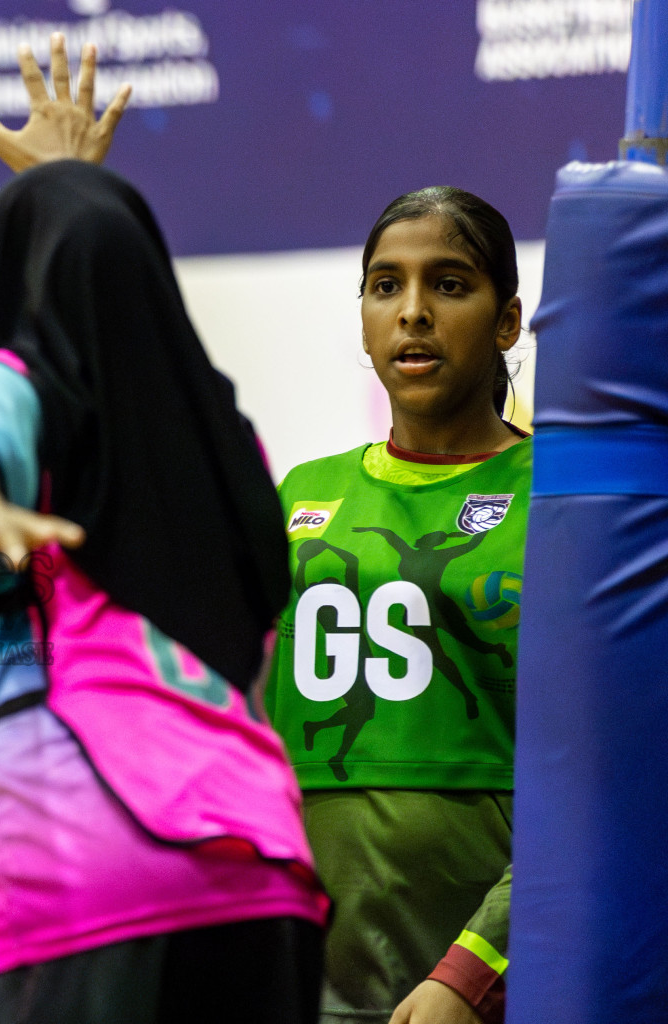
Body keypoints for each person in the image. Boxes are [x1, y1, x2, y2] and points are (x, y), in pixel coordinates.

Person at [0, 34, 330, 1024]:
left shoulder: (12, 386)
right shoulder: (230, 449)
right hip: (259, 872)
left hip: (67, 874)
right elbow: (111, 305)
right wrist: (80, 203)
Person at [265, 187, 528, 1024]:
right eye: (386, 286)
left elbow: (604, 783)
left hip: (488, 988)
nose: (411, 313)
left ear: (507, 322)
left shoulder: (564, 501)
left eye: (449, 285)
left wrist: (471, 971)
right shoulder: (304, 494)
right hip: (311, 985)